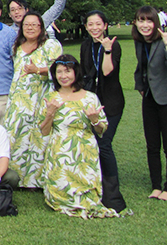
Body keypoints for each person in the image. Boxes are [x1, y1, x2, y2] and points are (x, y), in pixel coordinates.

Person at [39, 55, 119, 218]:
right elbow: (44, 131)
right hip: (59, 151)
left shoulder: (90, 97)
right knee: (59, 193)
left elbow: (101, 130)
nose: (63, 76)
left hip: (84, 150)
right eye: (59, 72)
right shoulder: (51, 98)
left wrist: (95, 120)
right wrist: (50, 114)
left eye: (67, 72)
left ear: (76, 73)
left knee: (87, 196)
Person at [133, 6, 167, 202]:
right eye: (141, 20)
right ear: (136, 23)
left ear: (155, 22)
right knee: (152, 145)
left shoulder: (165, 39)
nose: (145, 25)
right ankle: (156, 186)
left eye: (149, 20)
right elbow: (141, 67)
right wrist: (140, 85)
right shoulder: (140, 42)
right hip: (149, 97)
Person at [4, 12, 61, 188]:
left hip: (41, 99)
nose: (30, 28)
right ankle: (16, 178)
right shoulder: (18, 46)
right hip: (19, 100)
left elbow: (61, 69)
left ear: (41, 27)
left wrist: (39, 70)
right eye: (26, 25)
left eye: (34, 25)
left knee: (39, 138)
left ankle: (36, 181)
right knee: (16, 136)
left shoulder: (51, 45)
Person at [80, 10, 128, 211]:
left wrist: (107, 50)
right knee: (92, 143)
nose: (94, 28)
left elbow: (108, 71)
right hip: (91, 100)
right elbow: (83, 72)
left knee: (104, 143)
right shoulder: (86, 45)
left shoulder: (113, 45)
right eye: (90, 24)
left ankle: (111, 190)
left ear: (105, 25)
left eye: (98, 24)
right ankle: (93, 181)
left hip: (111, 101)